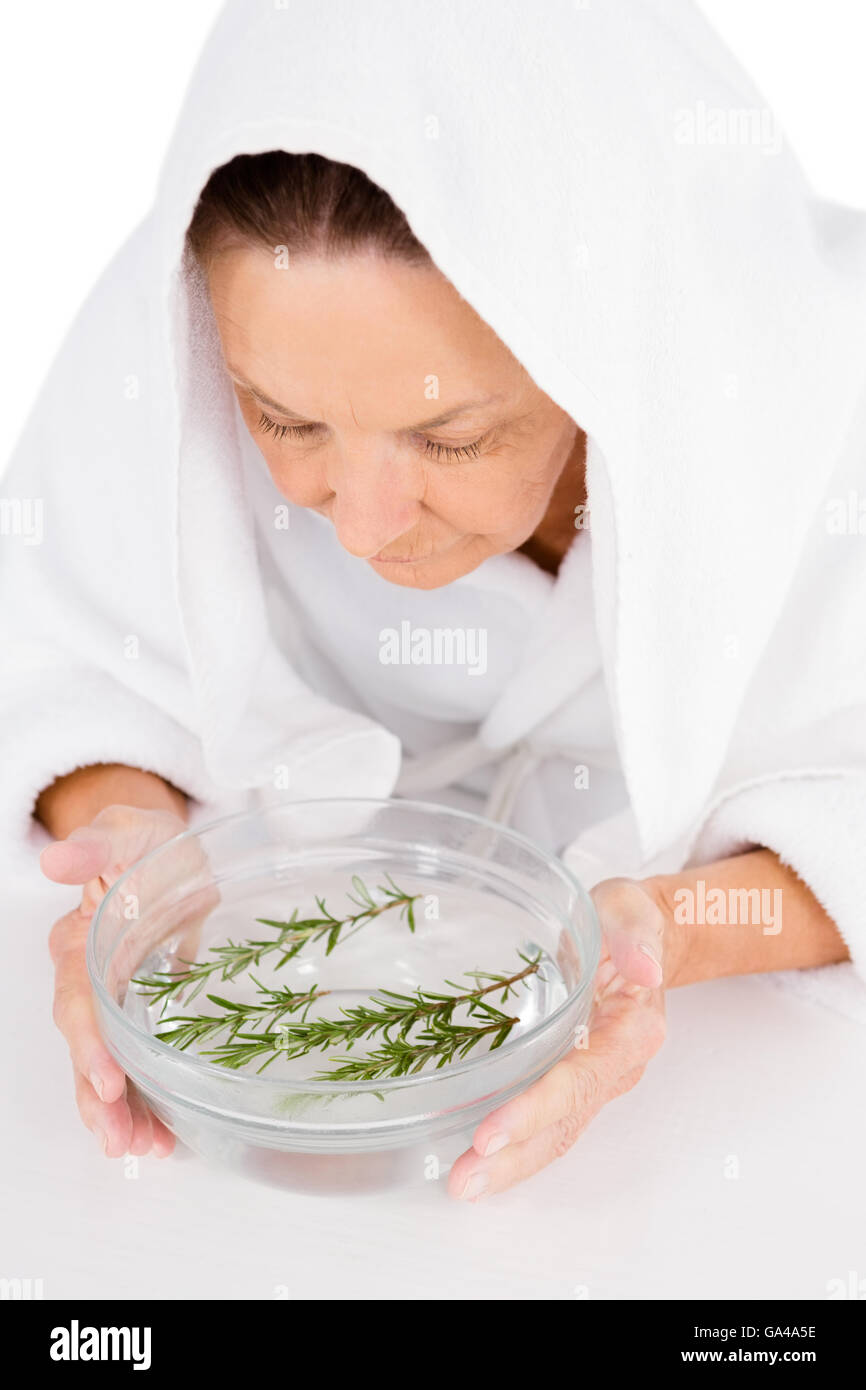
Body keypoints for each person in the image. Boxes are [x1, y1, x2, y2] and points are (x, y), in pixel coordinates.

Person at [5, 1, 866, 1201]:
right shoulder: (172, 324)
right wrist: (137, 840)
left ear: (622, 349)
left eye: (448, 438)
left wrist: (666, 927)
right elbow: (70, 647)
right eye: (286, 422)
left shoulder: (818, 403)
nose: (358, 521)